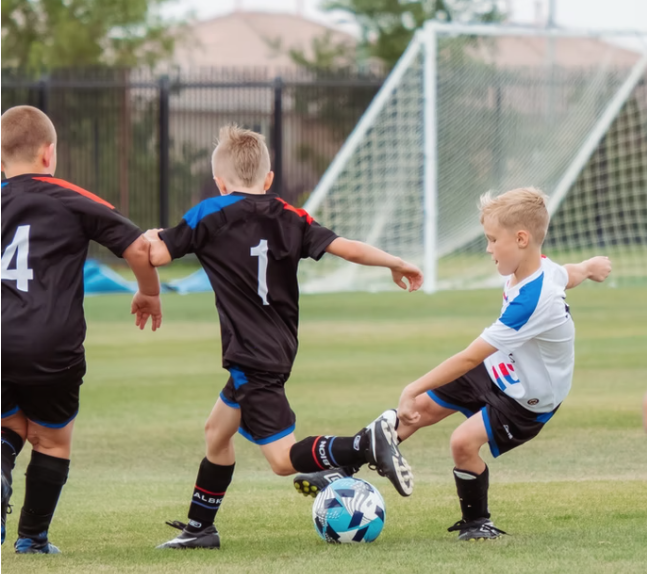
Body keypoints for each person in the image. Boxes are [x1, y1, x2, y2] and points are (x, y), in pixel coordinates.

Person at [146, 125, 422, 550]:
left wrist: (148, 238)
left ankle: (363, 444)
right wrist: (395, 262)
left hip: (249, 355)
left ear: (220, 183)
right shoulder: (290, 216)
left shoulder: (209, 213)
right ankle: (200, 528)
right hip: (276, 347)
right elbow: (344, 246)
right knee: (216, 432)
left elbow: (158, 254)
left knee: (280, 460)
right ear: (269, 179)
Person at [294, 187, 612, 541]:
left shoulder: (534, 301)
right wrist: (589, 267)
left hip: (528, 399)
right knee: (421, 409)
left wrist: (412, 387)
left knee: (461, 442)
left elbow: (469, 357)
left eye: (493, 239)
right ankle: (342, 469)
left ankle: (478, 523)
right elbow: (566, 273)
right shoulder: (539, 269)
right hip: (501, 366)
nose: (488, 248)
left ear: (521, 239)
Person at [1, 105, 162, 554]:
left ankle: (0, 472)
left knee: (7, 425)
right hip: (52, 341)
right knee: (51, 439)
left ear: (0, 159)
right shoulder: (70, 196)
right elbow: (137, 247)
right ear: (49, 154)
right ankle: (31, 540)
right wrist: (149, 292)